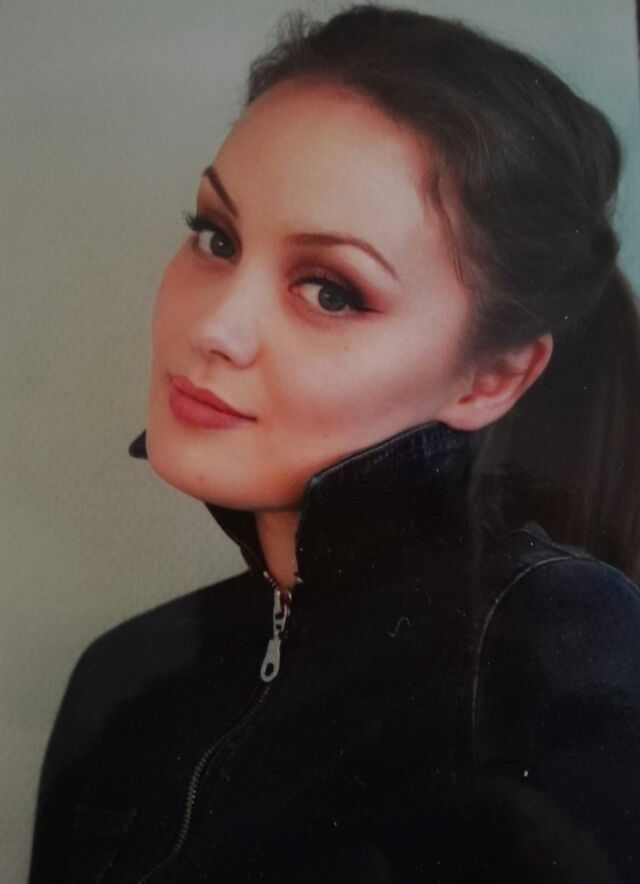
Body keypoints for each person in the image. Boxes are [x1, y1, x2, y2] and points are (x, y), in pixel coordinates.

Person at [28, 4, 640, 882]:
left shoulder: (549, 643)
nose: (215, 327)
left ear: (490, 379)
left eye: (330, 291)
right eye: (216, 237)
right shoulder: (123, 678)